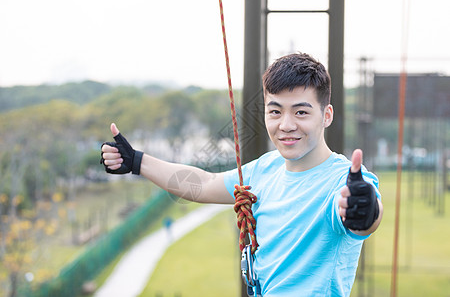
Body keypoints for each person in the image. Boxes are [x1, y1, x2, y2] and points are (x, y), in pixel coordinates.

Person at [100, 52, 383, 297]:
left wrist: (363, 209)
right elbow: (204, 184)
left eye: (300, 112)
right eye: (275, 111)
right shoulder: (265, 168)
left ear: (327, 115)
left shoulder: (342, 181)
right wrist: (138, 162)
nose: (285, 125)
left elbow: (364, 217)